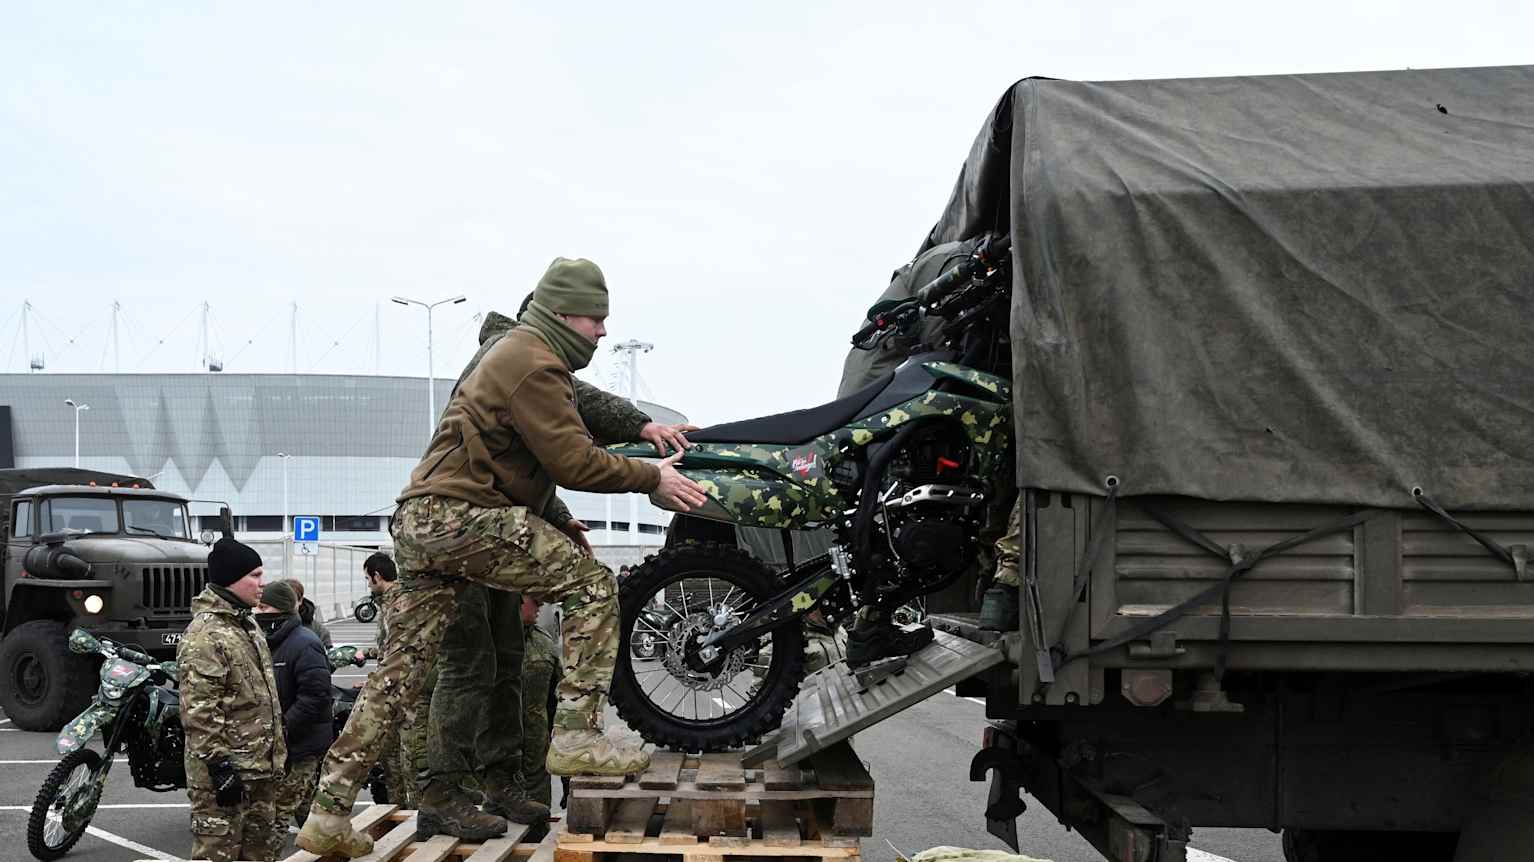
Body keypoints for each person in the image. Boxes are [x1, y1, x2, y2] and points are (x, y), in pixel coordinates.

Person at [297, 257, 710, 857]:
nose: (601, 332)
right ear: (565, 312)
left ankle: (328, 813)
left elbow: (568, 420)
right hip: (463, 518)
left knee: (400, 676)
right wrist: (651, 478)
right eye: (597, 319)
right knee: (593, 586)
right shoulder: (532, 361)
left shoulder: (526, 355)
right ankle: (576, 734)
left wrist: (639, 430)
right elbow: (572, 460)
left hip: (422, 521)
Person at [415, 301, 696, 840]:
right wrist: (642, 429)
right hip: (463, 533)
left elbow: (536, 457)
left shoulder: (530, 363)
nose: (598, 333)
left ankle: (500, 783)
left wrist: (565, 513)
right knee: (469, 666)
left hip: (496, 525)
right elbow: (572, 418)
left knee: (505, 662)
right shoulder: (508, 355)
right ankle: (443, 794)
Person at [178, 537, 287, 862]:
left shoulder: (246, 625)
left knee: (260, 855)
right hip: (225, 777)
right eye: (254, 575)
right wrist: (220, 768)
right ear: (230, 579)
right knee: (219, 856)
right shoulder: (205, 636)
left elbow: (260, 697)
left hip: (259, 771)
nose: (262, 583)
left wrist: (277, 751)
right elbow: (200, 713)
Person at [257, 581, 336, 830]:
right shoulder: (267, 642)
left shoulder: (305, 643)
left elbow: (316, 696)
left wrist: (281, 728)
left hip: (302, 747)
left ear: (280, 609)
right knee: (305, 814)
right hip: (281, 746)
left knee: (280, 818)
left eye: (264, 606)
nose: (257, 612)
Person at [517, 595, 560, 810]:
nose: (540, 603)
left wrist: (566, 776)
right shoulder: (487, 641)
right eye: (533, 597)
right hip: (491, 765)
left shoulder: (543, 642)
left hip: (536, 759)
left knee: (538, 817)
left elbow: (558, 701)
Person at [282, 578, 334, 649]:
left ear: (300, 601)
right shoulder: (268, 626)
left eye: (290, 601)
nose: (285, 606)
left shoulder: (319, 630)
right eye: (281, 601)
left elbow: (327, 657)